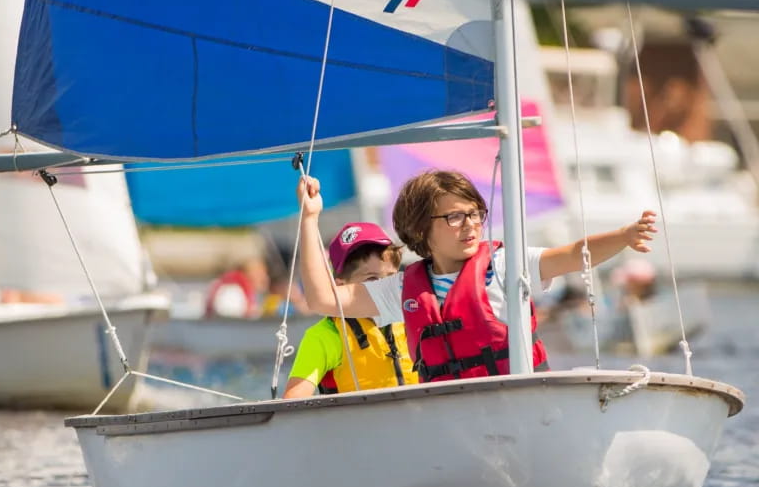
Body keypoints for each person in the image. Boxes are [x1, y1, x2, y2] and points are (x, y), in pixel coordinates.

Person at [296, 170, 658, 382]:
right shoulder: (404, 289)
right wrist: (309, 219)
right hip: (454, 417)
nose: (470, 224)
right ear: (421, 230)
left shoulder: (506, 265)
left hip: (520, 403)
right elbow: (322, 299)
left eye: (475, 213)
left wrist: (623, 237)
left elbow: (574, 253)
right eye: (454, 217)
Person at [283, 222, 416, 398]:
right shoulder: (324, 337)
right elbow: (293, 401)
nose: (383, 287)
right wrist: (309, 217)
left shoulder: (414, 317)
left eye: (390, 278)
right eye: (372, 279)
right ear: (340, 287)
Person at [204, 256, 272, 318]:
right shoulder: (232, 292)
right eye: (261, 273)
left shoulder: (249, 294)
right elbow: (230, 325)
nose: (266, 277)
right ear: (250, 273)